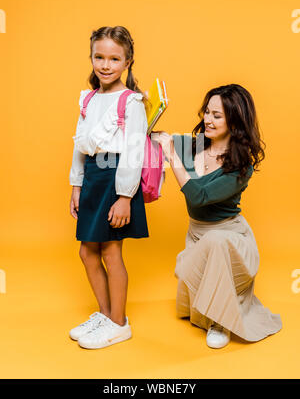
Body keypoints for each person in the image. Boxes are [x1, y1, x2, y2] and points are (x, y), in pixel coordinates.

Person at [152, 84, 282, 349]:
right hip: (197, 234)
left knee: (216, 242)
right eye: (207, 113)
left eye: (217, 115)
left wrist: (172, 155)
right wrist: (143, 111)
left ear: (234, 121)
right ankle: (210, 309)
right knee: (205, 249)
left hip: (230, 238)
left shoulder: (240, 166)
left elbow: (198, 195)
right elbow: (154, 139)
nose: (208, 120)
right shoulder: (194, 145)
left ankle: (220, 321)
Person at [68, 26, 149, 349]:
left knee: (110, 252)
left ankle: (119, 322)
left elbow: (134, 152)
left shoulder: (131, 102)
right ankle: (105, 315)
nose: (105, 65)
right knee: (87, 251)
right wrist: (76, 185)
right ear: (91, 58)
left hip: (116, 180)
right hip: (92, 178)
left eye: (114, 59)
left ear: (127, 62)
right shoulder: (87, 98)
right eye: (98, 57)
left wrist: (125, 197)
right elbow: (79, 145)